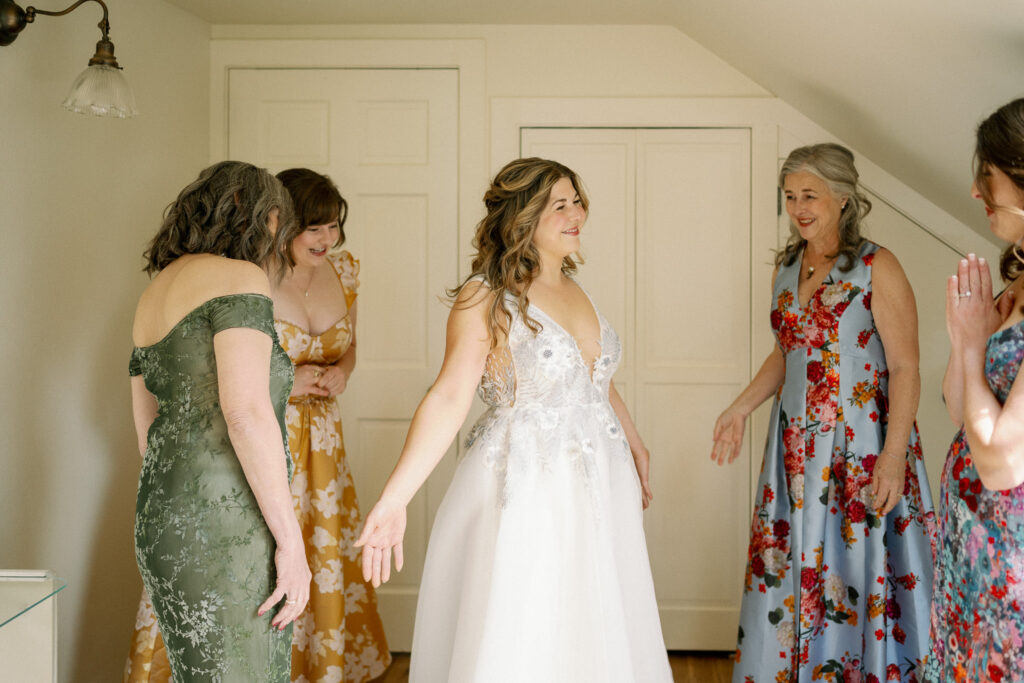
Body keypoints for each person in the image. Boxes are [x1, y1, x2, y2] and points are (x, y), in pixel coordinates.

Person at [355, 158, 673, 682]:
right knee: (529, 620)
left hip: (599, 483)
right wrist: (395, 499)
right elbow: (449, 396)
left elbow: (595, 380)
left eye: (578, 201)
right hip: (529, 482)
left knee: (595, 617)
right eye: (560, 205)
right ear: (523, 218)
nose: (578, 214)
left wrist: (634, 441)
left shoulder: (578, 289)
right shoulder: (485, 295)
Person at [712, 143, 936, 681]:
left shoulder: (877, 267)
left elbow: (906, 366)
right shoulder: (786, 266)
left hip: (861, 446)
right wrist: (739, 409)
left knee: (858, 568)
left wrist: (894, 455)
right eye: (790, 197)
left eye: (809, 195)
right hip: (792, 450)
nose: (799, 207)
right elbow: (786, 353)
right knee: (792, 569)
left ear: (843, 198)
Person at [128, 161, 310, 682]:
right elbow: (247, 413)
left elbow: (149, 432)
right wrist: (291, 543)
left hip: (162, 516)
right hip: (227, 520)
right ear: (263, 217)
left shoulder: (156, 290)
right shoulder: (240, 278)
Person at [270, 168, 391, 682]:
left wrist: (341, 372)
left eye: (334, 227)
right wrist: (285, 383)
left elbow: (351, 345)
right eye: (314, 228)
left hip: (325, 441)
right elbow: (219, 370)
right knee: (273, 549)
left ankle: (321, 666)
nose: (327, 239)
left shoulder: (346, 271)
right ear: (281, 224)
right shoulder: (249, 278)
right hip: (268, 438)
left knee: (323, 548)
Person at [924, 98, 1024, 682]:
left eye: (987, 175)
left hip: (1008, 553)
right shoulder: (1017, 277)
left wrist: (967, 343)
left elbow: (1003, 465)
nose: (976, 190)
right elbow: (956, 404)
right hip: (971, 541)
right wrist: (973, 342)